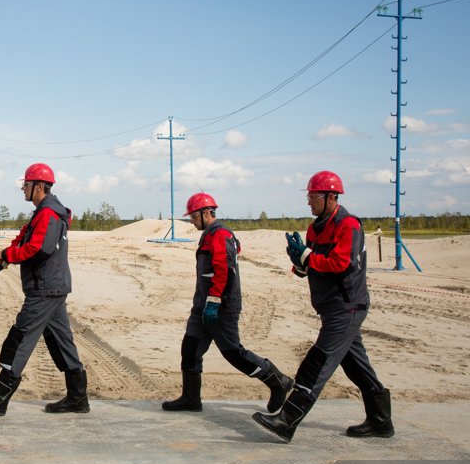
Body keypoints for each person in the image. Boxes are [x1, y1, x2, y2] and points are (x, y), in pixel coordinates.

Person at [253, 171, 394, 442]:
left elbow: (340, 264)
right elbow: (312, 267)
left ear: (331, 197)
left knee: (318, 361)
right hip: (329, 306)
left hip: (347, 305)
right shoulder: (314, 228)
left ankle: (287, 419)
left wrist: (307, 255)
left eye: (313, 197)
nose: (309, 202)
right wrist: (299, 261)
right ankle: (381, 421)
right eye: (308, 196)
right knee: (356, 366)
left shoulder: (348, 225)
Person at [0, 163, 88, 416]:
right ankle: (78, 398)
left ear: (39, 187)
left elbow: (38, 248)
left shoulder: (48, 214)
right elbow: (24, 239)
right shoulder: (44, 212)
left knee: (20, 337)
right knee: (60, 341)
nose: (23, 188)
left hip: (44, 289)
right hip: (52, 287)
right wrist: (0, 259)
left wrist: (6, 255)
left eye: (27, 184)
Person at [162, 192, 293, 415]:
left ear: (206, 214)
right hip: (202, 305)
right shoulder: (209, 235)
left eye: (194, 217)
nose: (192, 222)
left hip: (221, 306)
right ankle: (191, 399)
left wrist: (214, 303)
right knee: (190, 349)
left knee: (233, 352)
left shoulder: (220, 235)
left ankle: (277, 380)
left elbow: (223, 271)